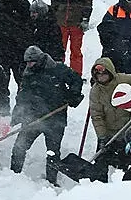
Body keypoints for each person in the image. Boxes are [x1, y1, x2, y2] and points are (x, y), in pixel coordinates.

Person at [10, 45, 84, 184]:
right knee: (19, 147)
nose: (29, 65)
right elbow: (22, 96)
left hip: (56, 119)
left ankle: (51, 181)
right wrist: (17, 116)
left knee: (52, 152)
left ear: (40, 60)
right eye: (27, 62)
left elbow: (76, 80)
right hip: (33, 119)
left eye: (31, 62)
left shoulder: (58, 69)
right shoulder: (28, 74)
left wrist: (73, 95)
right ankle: (13, 177)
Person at [89, 57, 131, 169]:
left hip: (128, 128)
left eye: (104, 74)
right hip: (109, 132)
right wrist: (102, 137)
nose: (101, 77)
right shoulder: (96, 92)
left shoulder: (124, 80)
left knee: (126, 161)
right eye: (98, 75)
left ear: (110, 72)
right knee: (101, 161)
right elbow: (97, 116)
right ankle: (98, 183)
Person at [50, 0, 93, 74]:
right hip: (61, 21)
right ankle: (58, 74)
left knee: (76, 51)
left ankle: (75, 76)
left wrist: (85, 19)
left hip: (76, 22)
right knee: (59, 50)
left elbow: (88, 1)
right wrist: (54, 16)